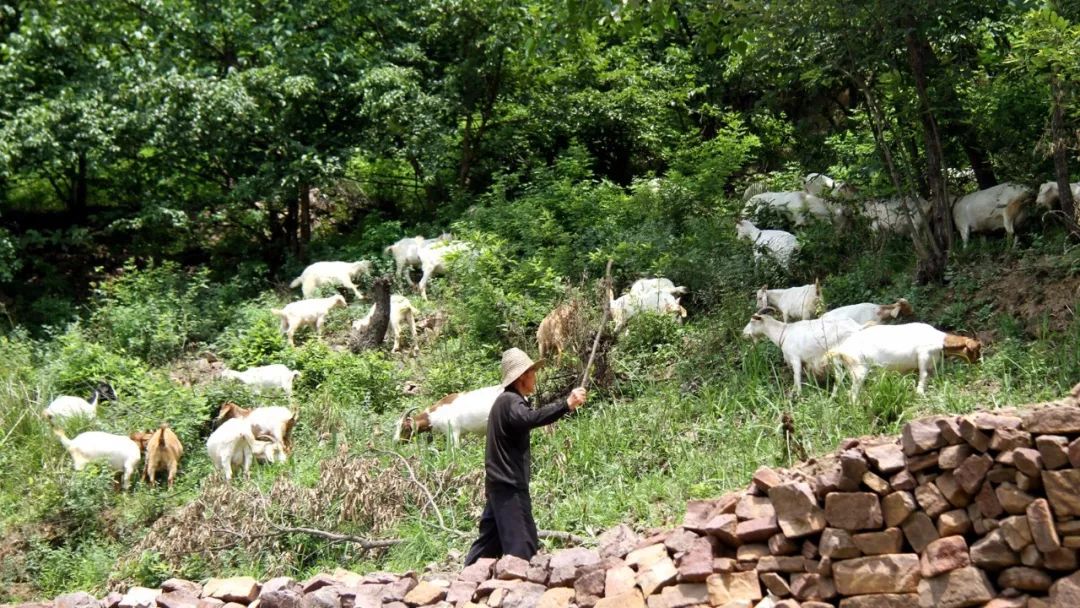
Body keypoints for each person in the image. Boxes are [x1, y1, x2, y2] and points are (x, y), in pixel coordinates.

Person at [463, 347, 587, 565]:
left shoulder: (504, 402)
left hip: (498, 486)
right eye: (533, 372)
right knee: (523, 548)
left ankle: (463, 586)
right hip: (509, 487)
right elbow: (530, 418)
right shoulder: (511, 402)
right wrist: (566, 405)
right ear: (522, 376)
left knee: (486, 547)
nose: (535, 377)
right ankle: (522, 591)